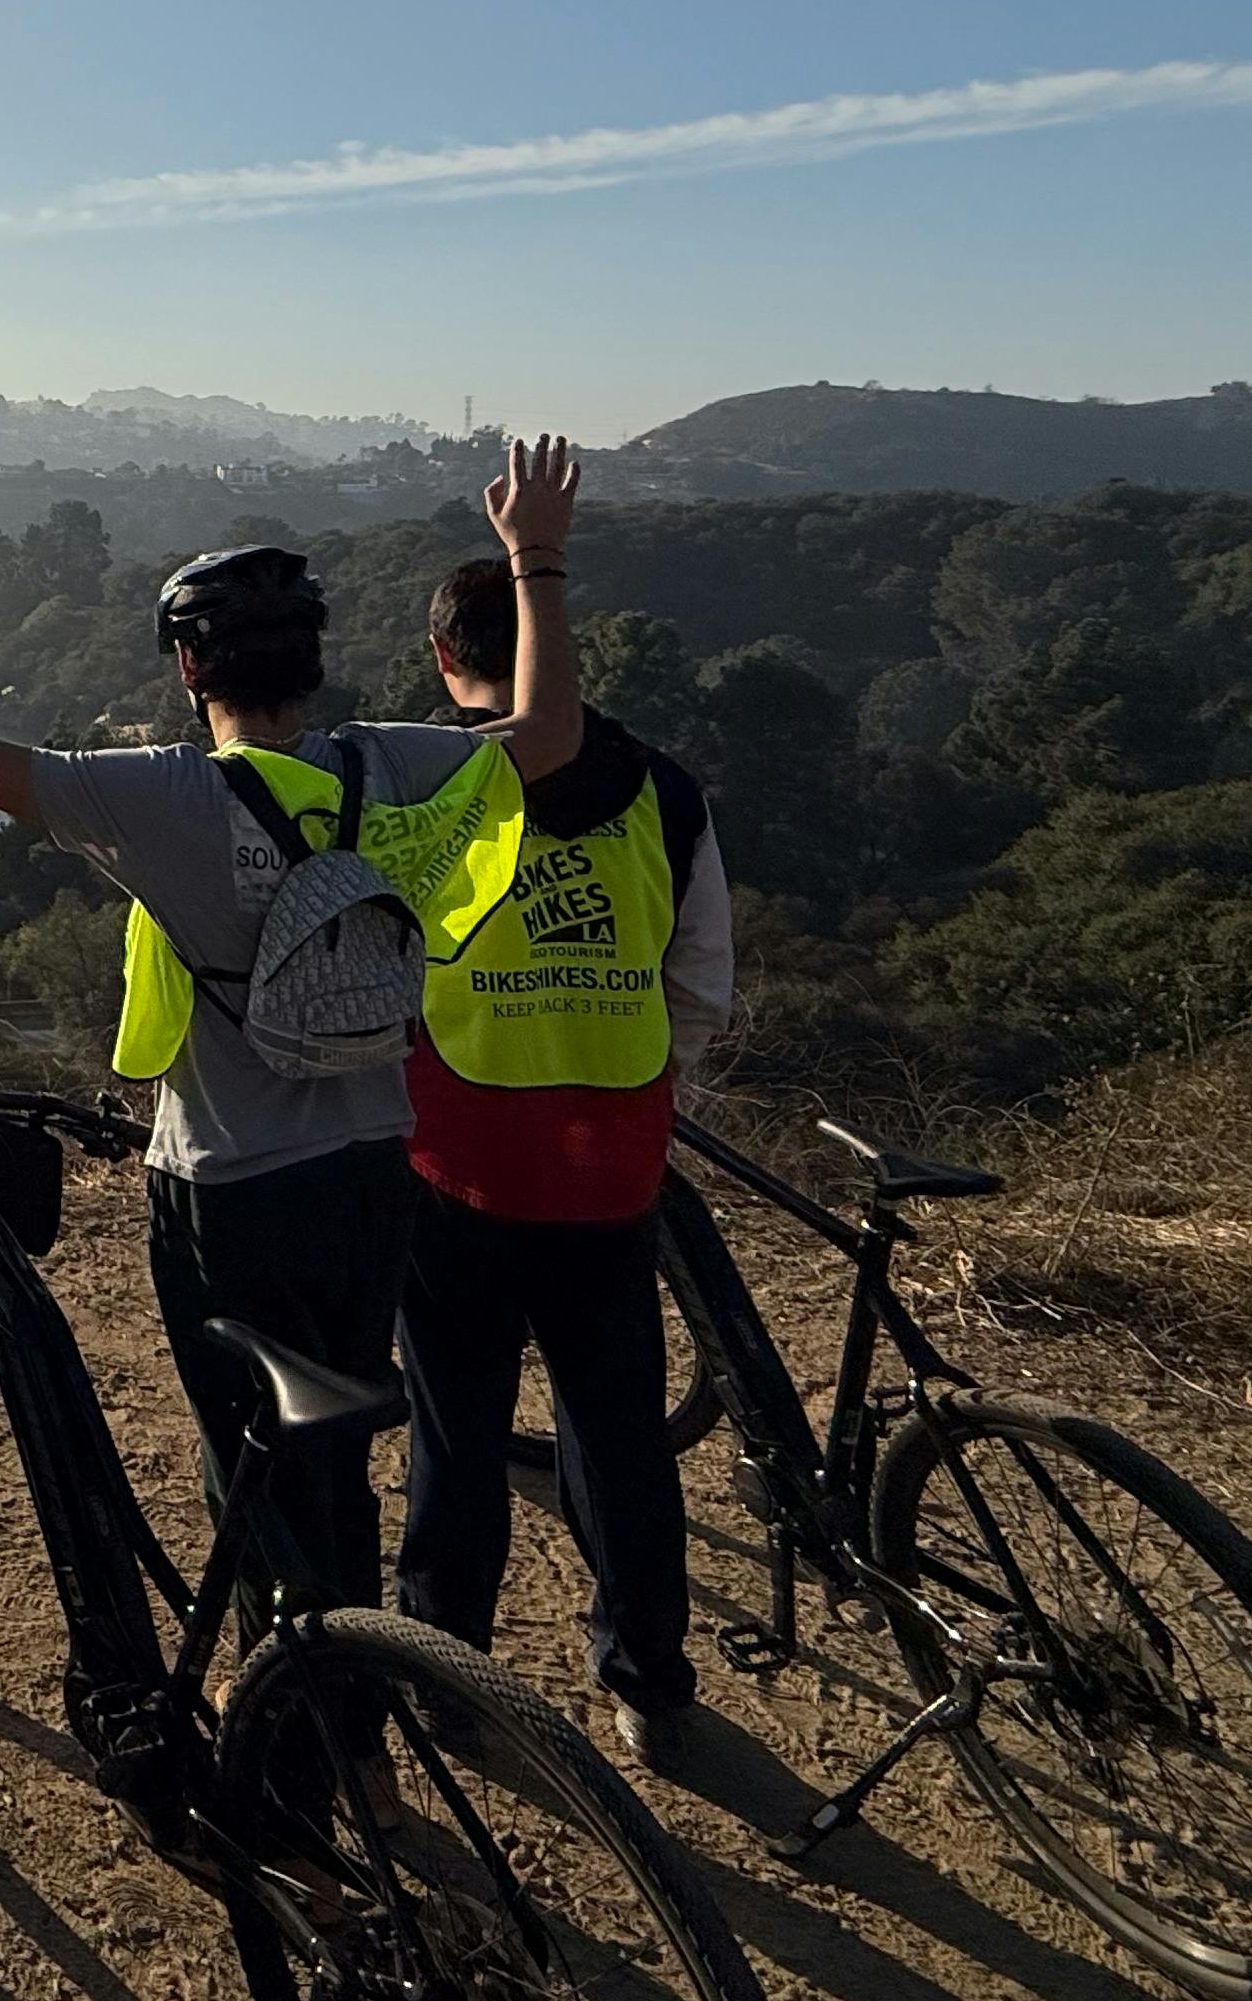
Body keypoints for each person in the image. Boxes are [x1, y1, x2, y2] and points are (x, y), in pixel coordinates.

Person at [0, 442, 586, 1642]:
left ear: (189, 665)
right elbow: (549, 734)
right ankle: (363, 1694)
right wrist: (536, 559)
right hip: (375, 1174)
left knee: (253, 1473)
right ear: (312, 662)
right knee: (336, 1452)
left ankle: (303, 1733)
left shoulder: (170, 799)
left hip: (231, 1189)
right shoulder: (394, 765)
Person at [393, 554, 735, 1768]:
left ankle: (445, 1679)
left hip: (455, 1164)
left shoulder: (424, 791)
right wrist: (631, 1083)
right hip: (613, 1170)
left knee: (456, 1437)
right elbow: (699, 988)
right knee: (619, 1434)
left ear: (446, 660)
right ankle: (649, 1681)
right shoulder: (669, 794)